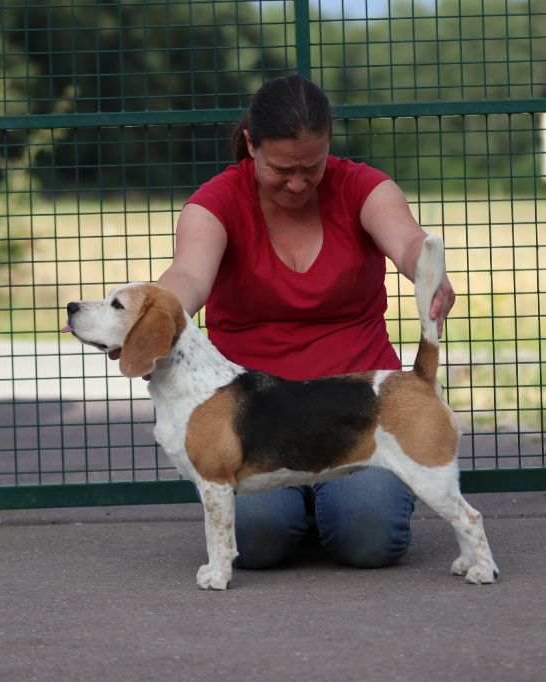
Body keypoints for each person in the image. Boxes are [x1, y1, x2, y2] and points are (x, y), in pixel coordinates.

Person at [156, 74, 455, 570]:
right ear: (251, 144)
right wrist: (159, 317)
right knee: (258, 541)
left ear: (328, 147)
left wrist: (427, 275)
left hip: (360, 411)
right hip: (256, 419)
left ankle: (334, 505)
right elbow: (188, 274)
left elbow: (406, 240)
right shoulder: (216, 202)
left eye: (311, 168)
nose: (297, 183)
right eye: (280, 169)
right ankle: (301, 507)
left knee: (368, 539)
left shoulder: (363, 187)